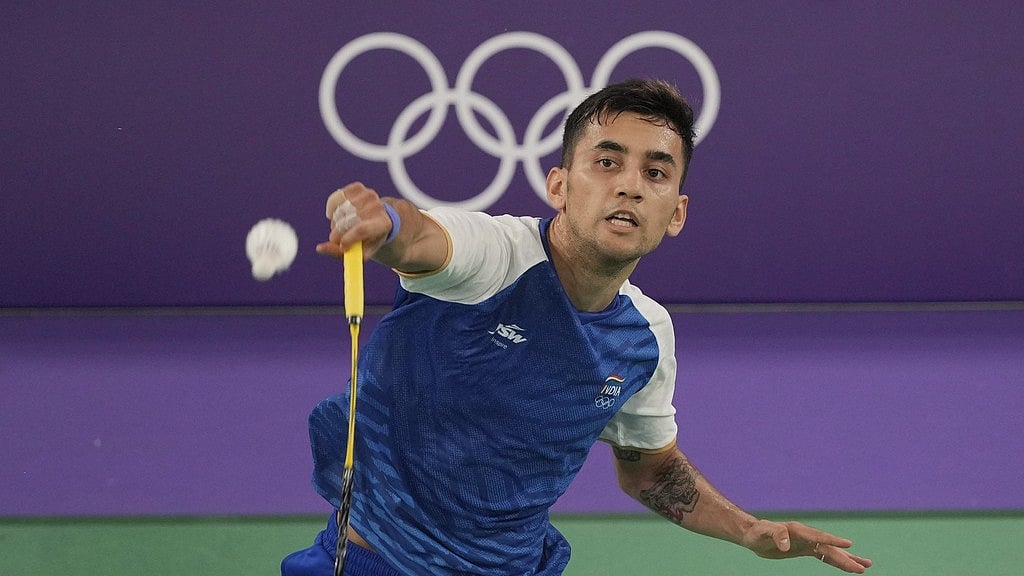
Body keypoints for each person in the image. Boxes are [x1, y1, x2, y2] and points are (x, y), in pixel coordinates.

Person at [282, 78, 873, 575]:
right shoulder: (496, 257)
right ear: (559, 186)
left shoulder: (645, 336)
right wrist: (384, 222)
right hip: (376, 562)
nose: (630, 185)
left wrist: (749, 531)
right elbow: (420, 238)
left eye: (656, 172)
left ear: (676, 213)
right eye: (607, 162)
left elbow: (650, 470)